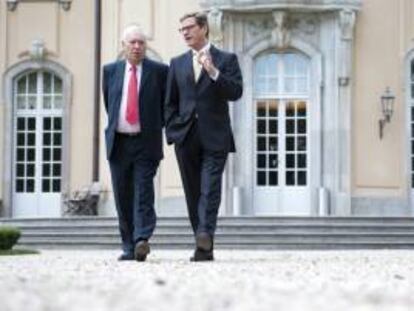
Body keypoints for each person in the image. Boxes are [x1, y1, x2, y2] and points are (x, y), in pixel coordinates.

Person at [165, 12, 243, 261]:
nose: (185, 33)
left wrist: (213, 72)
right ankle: (203, 246)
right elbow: (170, 102)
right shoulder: (176, 63)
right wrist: (174, 130)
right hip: (186, 136)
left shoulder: (226, 59)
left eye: (189, 27)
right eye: (182, 29)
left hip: (215, 136)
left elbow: (236, 92)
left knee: (210, 189)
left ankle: (205, 232)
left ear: (204, 29)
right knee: (193, 192)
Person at [102, 25, 168, 261]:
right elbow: (110, 103)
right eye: (133, 42)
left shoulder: (160, 71)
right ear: (124, 45)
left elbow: (165, 105)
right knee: (122, 195)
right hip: (118, 143)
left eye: (141, 42)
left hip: (145, 143)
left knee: (143, 191)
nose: (137, 47)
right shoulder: (110, 71)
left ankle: (142, 238)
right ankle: (129, 246)